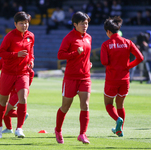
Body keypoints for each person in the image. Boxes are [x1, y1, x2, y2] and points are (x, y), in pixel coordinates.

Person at [100, 16, 144, 137]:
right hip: (125, 79)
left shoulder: (106, 44)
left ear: (108, 31)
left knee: (108, 104)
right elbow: (140, 58)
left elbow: (104, 61)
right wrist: (128, 66)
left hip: (111, 79)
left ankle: (117, 120)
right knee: (120, 105)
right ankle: (120, 130)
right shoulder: (128, 42)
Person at [0, 11, 34, 138]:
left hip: (23, 73)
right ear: (15, 24)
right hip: (8, 74)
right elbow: (1, 53)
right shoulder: (9, 37)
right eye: (21, 23)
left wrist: (31, 60)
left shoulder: (31, 36)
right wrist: (16, 55)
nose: (24, 26)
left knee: (23, 98)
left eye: (26, 23)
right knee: (3, 102)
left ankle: (19, 129)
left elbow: (31, 52)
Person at [55, 11, 92, 144]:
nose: (85, 26)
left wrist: (88, 63)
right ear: (75, 24)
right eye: (82, 23)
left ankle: (82, 134)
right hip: (71, 77)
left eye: (86, 23)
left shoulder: (88, 37)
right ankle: (58, 130)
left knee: (85, 105)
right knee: (65, 106)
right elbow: (60, 55)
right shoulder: (69, 38)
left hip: (85, 77)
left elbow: (86, 56)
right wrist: (74, 53)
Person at [0, 58, 34, 133]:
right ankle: (9, 128)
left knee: (5, 111)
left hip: (17, 93)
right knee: (4, 107)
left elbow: (30, 73)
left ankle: (22, 116)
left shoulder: (21, 60)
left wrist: (23, 87)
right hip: (9, 91)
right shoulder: (5, 58)